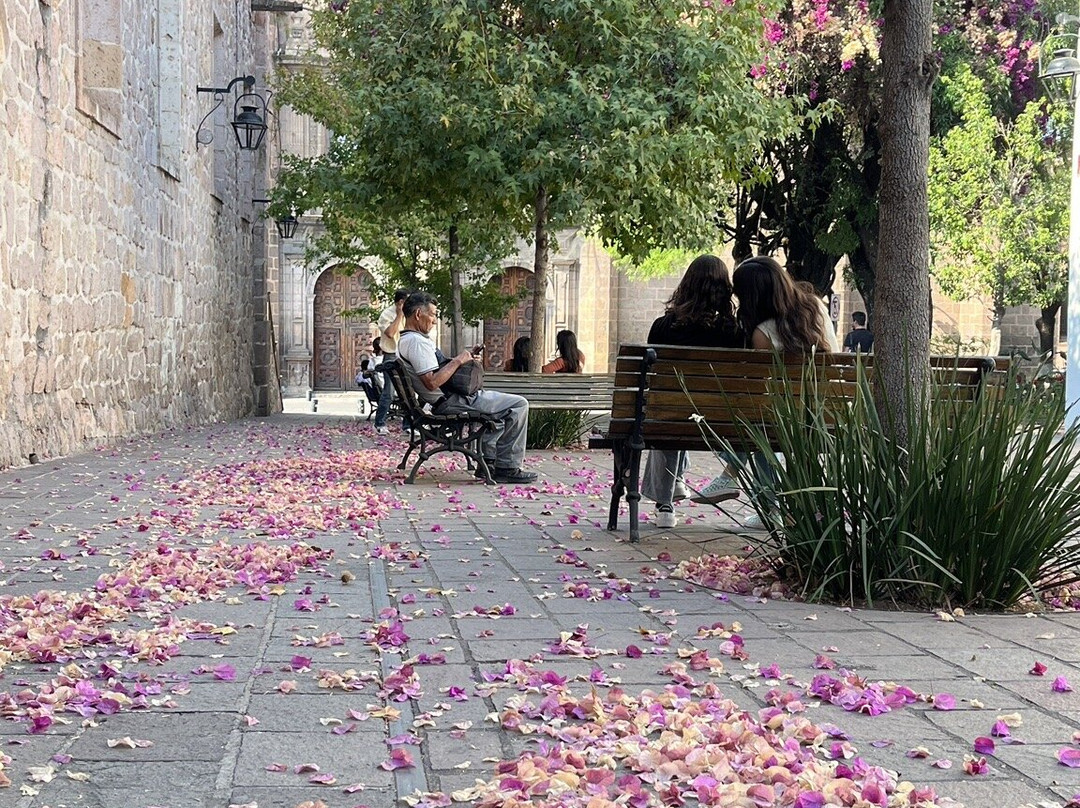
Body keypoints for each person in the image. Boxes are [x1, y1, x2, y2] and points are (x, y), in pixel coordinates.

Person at [694, 255, 839, 527]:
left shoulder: (763, 332)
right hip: (825, 414)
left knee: (758, 424)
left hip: (785, 421)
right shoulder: (816, 308)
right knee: (763, 424)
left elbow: (760, 390)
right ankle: (739, 485)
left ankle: (750, 492)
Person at [640, 255, 746, 529]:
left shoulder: (663, 327)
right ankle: (675, 482)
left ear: (686, 285)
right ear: (725, 290)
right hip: (719, 421)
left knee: (670, 411)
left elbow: (654, 379)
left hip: (673, 415)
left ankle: (665, 505)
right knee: (682, 409)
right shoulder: (735, 332)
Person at [396, 291, 537, 484]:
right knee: (519, 405)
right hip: (451, 402)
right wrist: (458, 361)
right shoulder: (416, 343)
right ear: (419, 314)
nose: (435, 321)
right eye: (433, 315)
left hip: (448, 399)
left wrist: (464, 360)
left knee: (502, 411)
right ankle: (507, 467)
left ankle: (488, 462)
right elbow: (432, 382)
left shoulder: (407, 340)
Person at [374, 290, 410, 435]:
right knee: (389, 391)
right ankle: (380, 423)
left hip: (405, 354)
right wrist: (400, 314)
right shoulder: (386, 314)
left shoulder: (410, 314)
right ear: (400, 302)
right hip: (391, 354)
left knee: (408, 391)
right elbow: (390, 333)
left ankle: (408, 425)